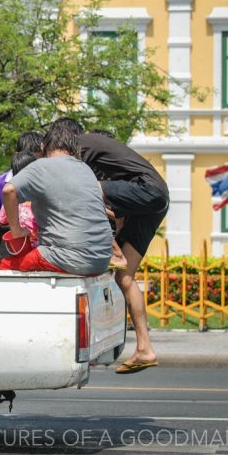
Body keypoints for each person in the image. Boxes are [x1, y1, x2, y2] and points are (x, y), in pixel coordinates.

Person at [57, 118, 168, 374]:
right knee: (125, 278)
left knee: (81, 188)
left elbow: (70, 183)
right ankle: (145, 348)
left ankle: (115, 253)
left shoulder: (80, 143)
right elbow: (116, 218)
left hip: (148, 190)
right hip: (155, 200)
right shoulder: (114, 165)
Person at [0, 122, 112, 275]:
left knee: (0, 267)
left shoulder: (42, 165)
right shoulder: (85, 168)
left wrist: (16, 230)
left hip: (67, 258)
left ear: (44, 146)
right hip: (102, 260)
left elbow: (8, 190)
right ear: (74, 148)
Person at [0, 131, 43, 213]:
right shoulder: (0, 183)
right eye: (31, 159)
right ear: (17, 156)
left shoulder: (45, 181)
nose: (35, 165)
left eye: (39, 159)